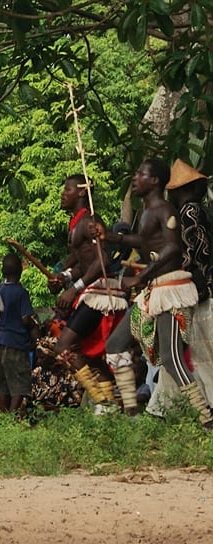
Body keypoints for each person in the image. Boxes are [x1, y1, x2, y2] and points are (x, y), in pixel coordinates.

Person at [101, 159, 212, 426]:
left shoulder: (165, 209)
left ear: (155, 182)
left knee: (171, 358)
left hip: (171, 289)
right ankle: (132, 413)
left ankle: (206, 419)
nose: (135, 178)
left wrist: (141, 276)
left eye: (141, 174)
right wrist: (111, 237)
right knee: (115, 345)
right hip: (156, 290)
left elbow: (172, 249)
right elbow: (147, 241)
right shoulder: (149, 211)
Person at [49, 175, 123, 412]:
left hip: (99, 292)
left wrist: (75, 287)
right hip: (93, 289)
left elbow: (102, 259)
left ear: (82, 193)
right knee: (88, 354)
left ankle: (102, 402)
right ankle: (108, 404)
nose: (63, 193)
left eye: (67, 189)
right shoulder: (77, 222)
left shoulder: (90, 221)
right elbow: (84, 261)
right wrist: (65, 277)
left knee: (64, 347)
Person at [165, 160, 213, 400]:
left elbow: (200, 252)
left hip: (204, 290)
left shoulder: (190, 211)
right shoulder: (194, 210)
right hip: (201, 288)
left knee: (203, 350)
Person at [0, 254, 38, 414]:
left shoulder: (0, 290)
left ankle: (3, 414)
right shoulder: (21, 293)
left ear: (3, 271)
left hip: (1, 341)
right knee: (19, 384)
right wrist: (34, 327)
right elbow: (25, 318)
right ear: (20, 270)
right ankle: (12, 417)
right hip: (17, 343)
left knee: (4, 383)